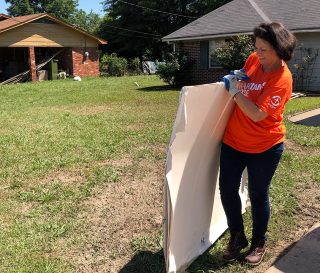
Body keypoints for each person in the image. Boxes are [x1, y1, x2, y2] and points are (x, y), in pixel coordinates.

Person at [219, 22, 297, 265]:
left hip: (265, 146)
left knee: (257, 193)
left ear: (279, 48)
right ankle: (237, 236)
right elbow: (245, 75)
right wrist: (238, 76)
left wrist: (234, 92)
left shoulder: (282, 79)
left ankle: (258, 242)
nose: (258, 53)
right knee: (227, 189)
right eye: (256, 47)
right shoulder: (255, 59)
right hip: (234, 140)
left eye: (264, 49)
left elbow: (256, 114)